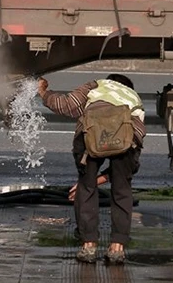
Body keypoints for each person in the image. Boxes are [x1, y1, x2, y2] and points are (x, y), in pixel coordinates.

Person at [38, 74, 144, 264]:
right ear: (129, 87)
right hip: (127, 138)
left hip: (90, 136)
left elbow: (66, 105)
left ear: (110, 80)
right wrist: (105, 178)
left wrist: (44, 93)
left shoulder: (98, 85)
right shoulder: (134, 98)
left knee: (86, 188)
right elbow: (133, 161)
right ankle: (117, 247)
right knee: (122, 190)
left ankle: (89, 246)